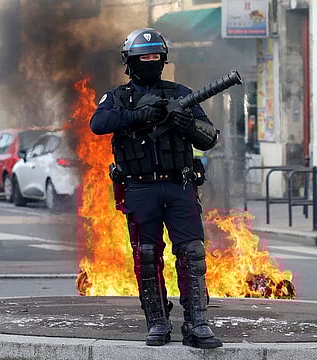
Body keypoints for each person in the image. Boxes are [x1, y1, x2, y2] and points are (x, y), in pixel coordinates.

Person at [89, 28, 222, 349]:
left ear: (163, 60)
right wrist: (138, 114)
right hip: (139, 189)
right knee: (146, 257)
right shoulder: (117, 98)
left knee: (191, 254)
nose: (150, 62)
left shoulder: (181, 94)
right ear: (130, 63)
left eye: (155, 57)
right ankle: (158, 321)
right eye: (143, 58)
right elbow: (98, 124)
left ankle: (197, 323)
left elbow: (210, 137)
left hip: (179, 186)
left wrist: (185, 123)